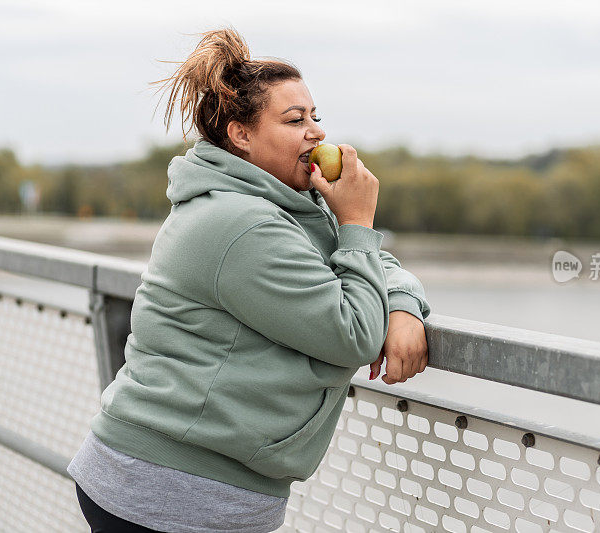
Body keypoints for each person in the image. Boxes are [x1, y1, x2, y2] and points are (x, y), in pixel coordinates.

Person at [67, 27, 431, 532]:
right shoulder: (243, 225)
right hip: (170, 492)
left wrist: (405, 305)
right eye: (295, 120)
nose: (317, 133)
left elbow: (368, 264)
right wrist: (358, 223)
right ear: (241, 134)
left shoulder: (284, 210)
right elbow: (352, 333)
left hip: (186, 484)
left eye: (315, 117)